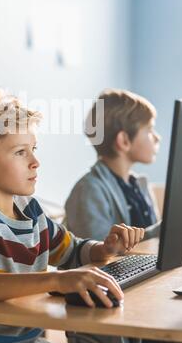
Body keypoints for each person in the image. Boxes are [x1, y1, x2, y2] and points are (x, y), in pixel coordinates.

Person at [0, 87, 144, 343]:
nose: (35, 161)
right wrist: (55, 279)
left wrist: (104, 249)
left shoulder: (30, 212)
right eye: (21, 152)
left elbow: (70, 250)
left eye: (34, 148)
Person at [65, 89, 161, 241]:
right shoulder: (88, 191)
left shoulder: (140, 185)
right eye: (149, 130)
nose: (157, 137)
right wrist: (164, 229)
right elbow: (101, 252)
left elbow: (154, 246)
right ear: (124, 141)